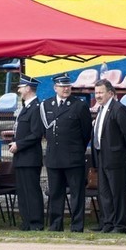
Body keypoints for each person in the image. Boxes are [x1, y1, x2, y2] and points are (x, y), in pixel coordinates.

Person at [41, 73, 92, 232]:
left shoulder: (79, 105)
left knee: (77, 193)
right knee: (56, 193)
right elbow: (45, 131)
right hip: (54, 156)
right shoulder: (47, 105)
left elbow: (85, 132)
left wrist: (77, 149)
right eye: (62, 86)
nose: (66, 89)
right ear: (55, 88)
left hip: (73, 156)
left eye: (68, 86)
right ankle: (56, 224)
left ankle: (77, 225)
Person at [91, 79, 126, 233]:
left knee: (117, 193)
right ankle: (108, 223)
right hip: (101, 156)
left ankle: (120, 225)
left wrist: (122, 151)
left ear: (110, 93)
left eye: (101, 92)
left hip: (116, 157)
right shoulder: (100, 109)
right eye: (96, 92)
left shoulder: (119, 109)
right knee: (104, 193)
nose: (98, 95)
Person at [8, 74, 45, 231]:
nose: (19, 90)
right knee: (23, 191)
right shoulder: (26, 107)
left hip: (30, 157)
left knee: (31, 191)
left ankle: (35, 222)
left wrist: (19, 144)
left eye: (21, 87)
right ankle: (27, 222)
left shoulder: (36, 107)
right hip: (22, 157)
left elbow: (36, 133)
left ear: (28, 88)